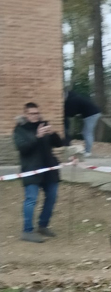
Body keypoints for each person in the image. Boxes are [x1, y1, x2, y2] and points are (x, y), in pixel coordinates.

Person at [13, 103, 65, 243]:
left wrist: (52, 133)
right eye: (31, 114)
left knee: (52, 197)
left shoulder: (44, 125)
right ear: (25, 114)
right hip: (31, 169)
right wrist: (37, 136)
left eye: (36, 113)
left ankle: (43, 225)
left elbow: (59, 143)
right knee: (31, 200)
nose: (34, 116)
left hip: (49, 169)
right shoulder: (20, 129)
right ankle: (27, 230)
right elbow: (23, 148)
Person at [63, 89, 101, 157]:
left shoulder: (72, 100)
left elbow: (71, 113)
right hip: (91, 114)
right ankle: (87, 150)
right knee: (86, 132)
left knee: (87, 133)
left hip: (91, 114)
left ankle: (88, 152)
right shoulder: (74, 96)